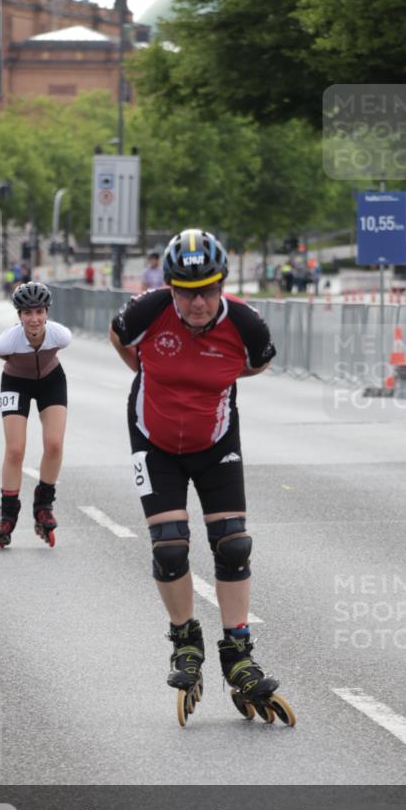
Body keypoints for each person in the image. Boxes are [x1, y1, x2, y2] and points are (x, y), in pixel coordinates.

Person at [109, 227, 295, 727]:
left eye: (209, 289)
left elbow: (256, 365)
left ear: (223, 285)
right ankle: (184, 640)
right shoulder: (148, 311)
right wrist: (150, 374)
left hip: (216, 443)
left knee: (233, 545)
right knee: (170, 547)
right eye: (187, 291)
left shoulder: (248, 326)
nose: (198, 301)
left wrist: (207, 383)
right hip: (154, 441)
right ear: (169, 287)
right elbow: (121, 338)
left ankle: (238, 650)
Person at [0, 282, 71, 551]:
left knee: (55, 444)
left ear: (47, 312)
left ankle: (44, 504)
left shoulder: (61, 335)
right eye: (27, 313)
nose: (34, 319)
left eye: (39, 312)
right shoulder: (6, 341)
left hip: (51, 381)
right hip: (15, 382)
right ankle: (8, 514)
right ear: (19, 315)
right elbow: (2, 356)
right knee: (14, 450)